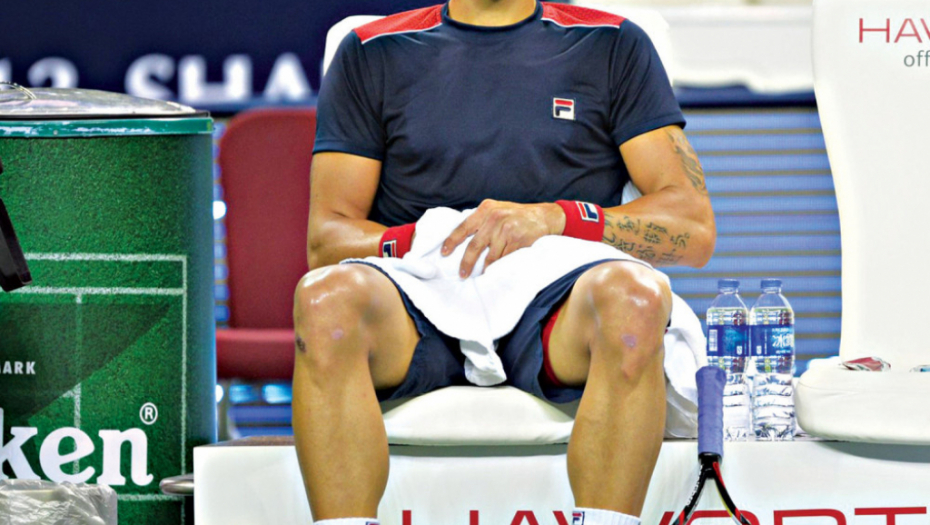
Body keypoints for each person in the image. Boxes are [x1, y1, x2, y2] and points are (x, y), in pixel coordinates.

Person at [292, 0, 715, 524]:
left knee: (637, 299)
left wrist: (555, 218)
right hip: (415, 293)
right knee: (325, 302)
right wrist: (434, 237)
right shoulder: (369, 50)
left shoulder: (615, 43)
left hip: (560, 300)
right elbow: (327, 239)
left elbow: (693, 229)